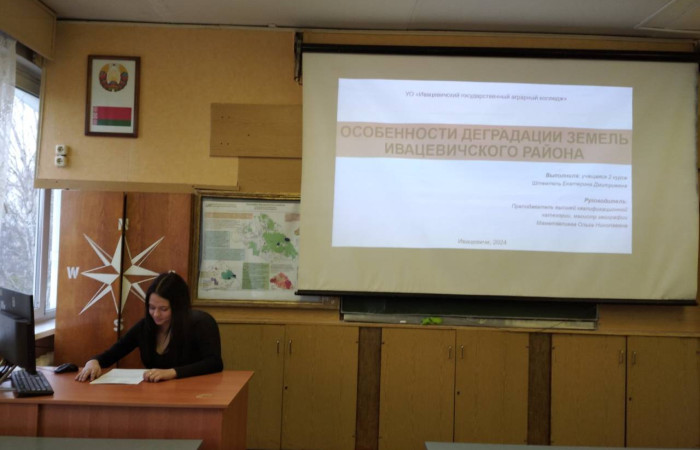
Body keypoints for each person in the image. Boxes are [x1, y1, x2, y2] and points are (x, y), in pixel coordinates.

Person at [75, 271, 223, 383]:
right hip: (155, 394)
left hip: (193, 392)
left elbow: (214, 363)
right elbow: (113, 353)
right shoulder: (145, 326)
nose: (156, 314)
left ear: (178, 308)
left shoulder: (200, 323)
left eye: (163, 309)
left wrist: (172, 372)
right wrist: (93, 362)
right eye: (152, 308)